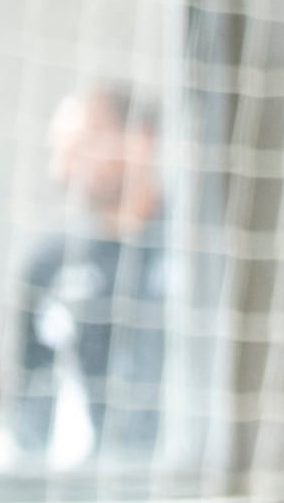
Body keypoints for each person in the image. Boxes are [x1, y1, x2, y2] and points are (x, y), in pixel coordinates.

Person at [11, 81, 170, 462]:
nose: (67, 166)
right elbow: (31, 399)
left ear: (140, 141)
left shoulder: (194, 249)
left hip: (183, 477)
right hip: (94, 481)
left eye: (85, 144)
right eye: (61, 150)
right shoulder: (49, 265)